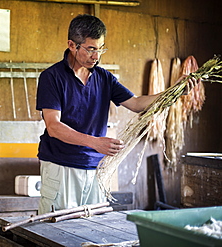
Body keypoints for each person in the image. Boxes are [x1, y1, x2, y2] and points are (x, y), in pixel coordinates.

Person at [36, 14, 198, 215]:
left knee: (91, 229)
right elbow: (53, 127)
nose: (97, 56)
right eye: (91, 49)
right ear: (72, 45)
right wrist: (95, 142)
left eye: (101, 48)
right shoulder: (51, 77)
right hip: (61, 166)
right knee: (56, 232)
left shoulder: (104, 78)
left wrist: (173, 92)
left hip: (96, 168)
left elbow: (138, 104)